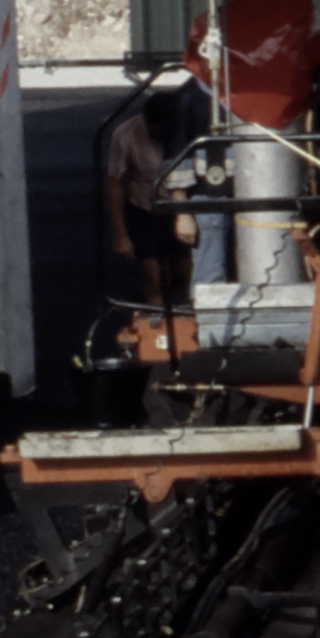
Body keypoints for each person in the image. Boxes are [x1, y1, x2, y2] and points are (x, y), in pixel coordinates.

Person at [92, 75, 199, 416]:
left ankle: (186, 319)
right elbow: (115, 185)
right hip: (144, 208)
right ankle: (158, 338)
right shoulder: (125, 134)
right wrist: (120, 233)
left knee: (185, 272)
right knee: (153, 276)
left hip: (184, 207)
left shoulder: (189, 130)